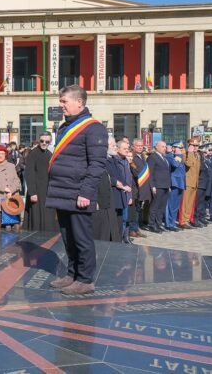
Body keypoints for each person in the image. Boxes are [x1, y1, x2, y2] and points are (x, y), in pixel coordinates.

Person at [46, 85, 108, 295]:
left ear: (79, 102)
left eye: (64, 101)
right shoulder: (65, 126)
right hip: (62, 191)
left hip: (78, 192)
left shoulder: (94, 128)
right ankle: (72, 274)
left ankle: (85, 279)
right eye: (60, 101)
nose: (61, 105)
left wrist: (86, 192)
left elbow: (97, 165)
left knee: (82, 238)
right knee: (68, 237)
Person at [23, 132, 58, 232]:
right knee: (37, 218)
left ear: (50, 142)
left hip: (47, 191)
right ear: (39, 141)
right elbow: (29, 174)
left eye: (47, 141)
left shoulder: (49, 154)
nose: (44, 143)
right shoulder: (33, 154)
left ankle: (47, 236)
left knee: (48, 217)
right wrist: (32, 192)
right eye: (42, 141)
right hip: (36, 191)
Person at [107, 138, 133, 243]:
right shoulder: (107, 159)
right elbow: (108, 176)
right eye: (113, 146)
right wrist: (118, 184)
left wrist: (127, 187)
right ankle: (117, 240)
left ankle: (121, 239)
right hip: (114, 194)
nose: (115, 148)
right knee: (116, 222)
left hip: (122, 194)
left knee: (122, 219)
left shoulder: (116, 159)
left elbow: (123, 177)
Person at [146, 140, 171, 233]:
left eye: (165, 146)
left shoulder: (164, 158)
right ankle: (151, 224)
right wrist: (152, 185)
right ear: (156, 147)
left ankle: (159, 223)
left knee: (162, 206)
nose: (164, 148)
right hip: (157, 185)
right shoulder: (152, 157)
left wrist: (168, 185)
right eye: (162, 146)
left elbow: (167, 172)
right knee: (155, 206)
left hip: (165, 185)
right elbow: (150, 172)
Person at [129, 138, 151, 238]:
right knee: (133, 210)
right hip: (134, 187)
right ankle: (132, 229)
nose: (140, 147)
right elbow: (136, 172)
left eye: (141, 146)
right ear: (133, 146)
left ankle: (136, 228)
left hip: (141, 188)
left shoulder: (142, 157)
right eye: (138, 146)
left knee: (138, 209)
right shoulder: (132, 157)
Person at [180, 138, 202, 227]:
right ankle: (183, 221)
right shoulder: (186, 154)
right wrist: (190, 152)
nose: (195, 147)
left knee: (190, 203)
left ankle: (187, 219)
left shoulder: (197, 155)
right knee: (185, 203)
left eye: (197, 146)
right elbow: (189, 164)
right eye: (193, 145)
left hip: (194, 182)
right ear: (189, 146)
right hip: (188, 182)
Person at [165, 142, 187, 230]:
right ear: (173, 148)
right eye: (179, 148)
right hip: (174, 184)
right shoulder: (170, 156)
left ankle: (172, 223)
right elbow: (175, 164)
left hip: (180, 184)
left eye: (181, 148)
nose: (181, 150)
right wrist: (178, 155)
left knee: (175, 206)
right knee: (171, 205)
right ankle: (169, 224)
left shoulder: (178, 157)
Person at [195, 143, 212, 226]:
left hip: (204, 185)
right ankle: (196, 219)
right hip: (200, 184)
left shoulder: (206, 162)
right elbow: (200, 169)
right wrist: (202, 157)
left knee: (202, 203)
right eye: (204, 152)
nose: (206, 154)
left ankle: (201, 217)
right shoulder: (200, 161)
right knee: (198, 203)